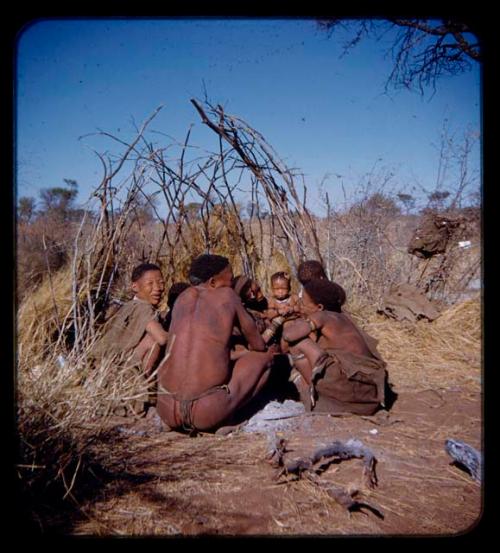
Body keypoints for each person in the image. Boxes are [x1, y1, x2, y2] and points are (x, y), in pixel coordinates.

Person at [156, 254, 276, 433]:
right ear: (212, 282)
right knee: (265, 358)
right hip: (206, 411)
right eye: (229, 279)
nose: (231, 285)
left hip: (166, 408)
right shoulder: (227, 295)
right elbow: (258, 345)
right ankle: (229, 419)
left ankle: (175, 424)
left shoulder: (182, 298)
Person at [282, 278, 388, 416]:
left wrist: (287, 318)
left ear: (319, 307)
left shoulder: (323, 316)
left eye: (303, 303)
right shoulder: (343, 317)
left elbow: (289, 336)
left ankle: (315, 394)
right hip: (368, 395)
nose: (300, 305)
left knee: (298, 344)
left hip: (352, 387)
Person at [90, 263, 169, 415]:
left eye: (160, 282)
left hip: (104, 371)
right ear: (135, 287)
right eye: (150, 284)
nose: (158, 288)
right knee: (154, 340)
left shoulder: (128, 306)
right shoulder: (143, 308)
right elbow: (161, 339)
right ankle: (142, 392)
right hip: (125, 375)